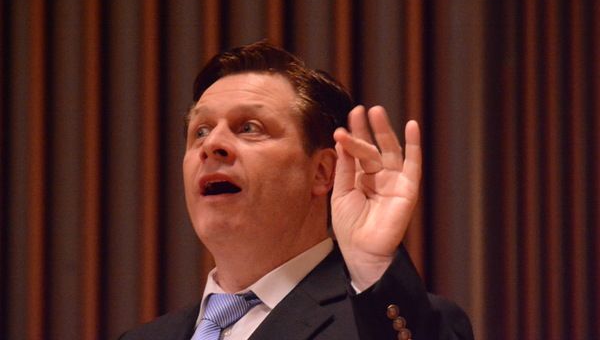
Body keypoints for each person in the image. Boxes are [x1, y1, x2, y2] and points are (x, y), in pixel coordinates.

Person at [120, 41, 473, 339]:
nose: (212, 144)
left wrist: (373, 268)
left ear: (322, 172)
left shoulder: (387, 322)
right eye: (200, 130)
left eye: (249, 127)